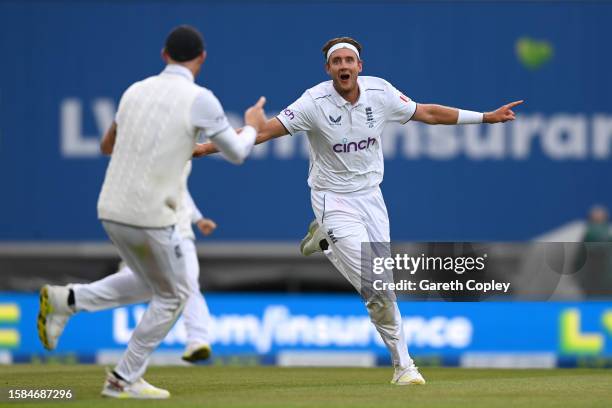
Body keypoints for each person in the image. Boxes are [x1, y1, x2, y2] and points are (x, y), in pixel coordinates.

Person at [194, 37, 522, 385]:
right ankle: (407, 366)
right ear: (329, 69)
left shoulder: (380, 93)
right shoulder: (313, 101)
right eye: (338, 62)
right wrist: (204, 148)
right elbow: (264, 132)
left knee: (385, 289)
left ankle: (396, 363)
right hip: (331, 199)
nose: (344, 67)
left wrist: (485, 117)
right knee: (376, 285)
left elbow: (427, 113)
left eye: (350, 60)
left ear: (360, 67)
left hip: (371, 199)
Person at [37, 25, 266, 399]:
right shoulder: (200, 98)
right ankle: (122, 378)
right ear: (202, 59)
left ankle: (68, 300)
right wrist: (253, 128)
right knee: (174, 295)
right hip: (151, 216)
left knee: (149, 284)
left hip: (110, 210)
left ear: (164, 55)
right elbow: (237, 153)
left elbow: (107, 143)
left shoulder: (134, 91)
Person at [39, 161, 217, 364]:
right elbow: (229, 147)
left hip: (154, 225)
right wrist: (249, 133)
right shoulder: (167, 138)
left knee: (149, 285)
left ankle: (69, 299)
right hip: (164, 228)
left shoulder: (168, 141)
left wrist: (198, 218)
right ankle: (197, 339)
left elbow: (179, 188)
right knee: (185, 283)